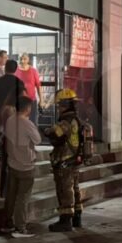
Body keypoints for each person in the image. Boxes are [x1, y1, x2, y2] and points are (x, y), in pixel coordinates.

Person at [44, 89, 84, 232]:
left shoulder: (66, 120)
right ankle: (77, 218)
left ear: (66, 105)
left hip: (65, 160)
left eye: (60, 105)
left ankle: (65, 221)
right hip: (74, 159)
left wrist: (47, 130)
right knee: (75, 189)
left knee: (64, 190)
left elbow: (55, 133)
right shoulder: (77, 119)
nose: (59, 108)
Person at [1, 96, 41, 238]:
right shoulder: (27, 123)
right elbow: (38, 139)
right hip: (26, 166)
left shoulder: (10, 120)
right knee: (23, 197)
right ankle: (20, 227)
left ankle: (7, 223)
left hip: (12, 164)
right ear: (28, 108)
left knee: (11, 195)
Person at [0, 59, 27, 123]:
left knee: (1, 131)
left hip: (0, 112)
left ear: (5, 68)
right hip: (15, 113)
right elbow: (23, 99)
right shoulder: (19, 82)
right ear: (15, 69)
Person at [16, 53, 46, 124]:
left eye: (24, 59)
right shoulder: (16, 70)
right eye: (21, 59)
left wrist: (41, 100)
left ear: (28, 60)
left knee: (32, 121)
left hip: (31, 100)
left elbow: (38, 86)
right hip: (20, 100)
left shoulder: (33, 70)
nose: (22, 61)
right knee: (20, 122)